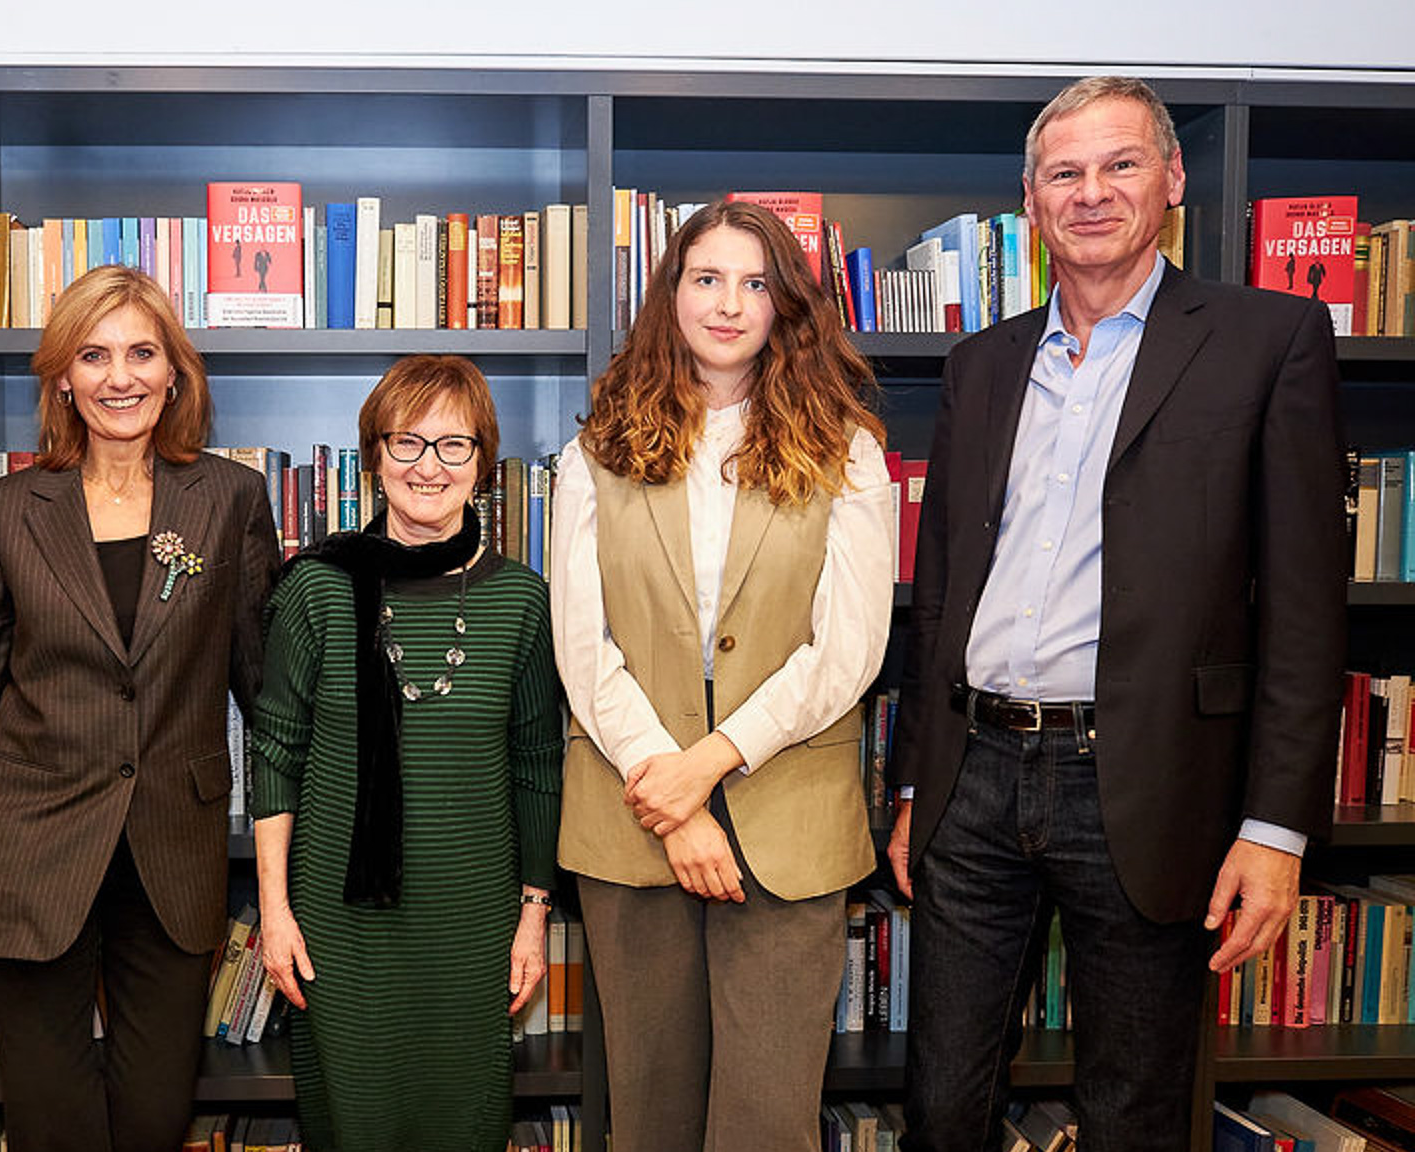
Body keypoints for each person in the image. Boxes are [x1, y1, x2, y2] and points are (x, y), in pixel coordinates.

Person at [890, 76, 1346, 1151]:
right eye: (1063, 173)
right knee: (941, 1105)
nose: (1090, 193)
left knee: (1132, 1112)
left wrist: (1273, 831)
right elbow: (939, 587)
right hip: (972, 778)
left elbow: (1303, 608)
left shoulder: (1268, 339)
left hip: (1149, 783)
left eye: (1120, 164)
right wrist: (914, 783)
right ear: (1030, 201)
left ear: (1173, 179)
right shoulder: (981, 363)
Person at [550, 199, 893, 1152]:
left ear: (787, 306)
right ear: (672, 294)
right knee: (649, 1117)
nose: (730, 304)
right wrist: (674, 796)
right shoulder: (597, 449)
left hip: (789, 821)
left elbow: (849, 649)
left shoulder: (849, 450)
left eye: (755, 283)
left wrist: (707, 766)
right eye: (707, 279)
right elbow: (583, 647)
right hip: (634, 816)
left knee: (767, 1122)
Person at [0, 264, 278, 1152]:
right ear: (62, 379)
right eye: (94, 355)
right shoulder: (3, 511)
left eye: (141, 353)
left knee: (155, 1116)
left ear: (174, 373)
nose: (120, 377)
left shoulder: (229, 499)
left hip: (173, 849)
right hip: (26, 850)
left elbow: (265, 688)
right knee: (52, 1123)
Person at [251, 354, 563, 1152]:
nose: (429, 466)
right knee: (353, 1123)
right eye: (407, 442)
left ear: (483, 465)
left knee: (465, 1124)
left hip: (473, 922)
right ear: (374, 458)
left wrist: (533, 916)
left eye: (454, 445)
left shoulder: (522, 599)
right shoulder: (316, 589)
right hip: (339, 924)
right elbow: (275, 752)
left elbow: (537, 766)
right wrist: (274, 914)